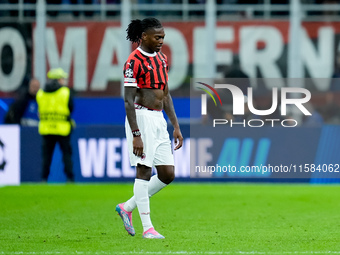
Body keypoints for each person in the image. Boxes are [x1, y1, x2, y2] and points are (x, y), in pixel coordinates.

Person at [115, 18, 183, 239]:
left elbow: (166, 93)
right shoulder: (133, 62)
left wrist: (176, 125)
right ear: (144, 36)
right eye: (157, 37)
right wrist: (136, 134)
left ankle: (127, 207)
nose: (161, 41)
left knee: (167, 174)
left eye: (163, 37)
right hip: (141, 118)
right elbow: (127, 101)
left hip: (159, 119)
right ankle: (148, 228)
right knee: (144, 170)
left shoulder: (162, 59)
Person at [36, 68, 75, 183]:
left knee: (46, 156)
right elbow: (71, 108)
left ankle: (43, 179)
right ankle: (70, 178)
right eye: (62, 78)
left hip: (46, 128)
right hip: (62, 128)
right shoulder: (65, 92)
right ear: (58, 79)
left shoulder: (40, 93)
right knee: (66, 155)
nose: (64, 81)